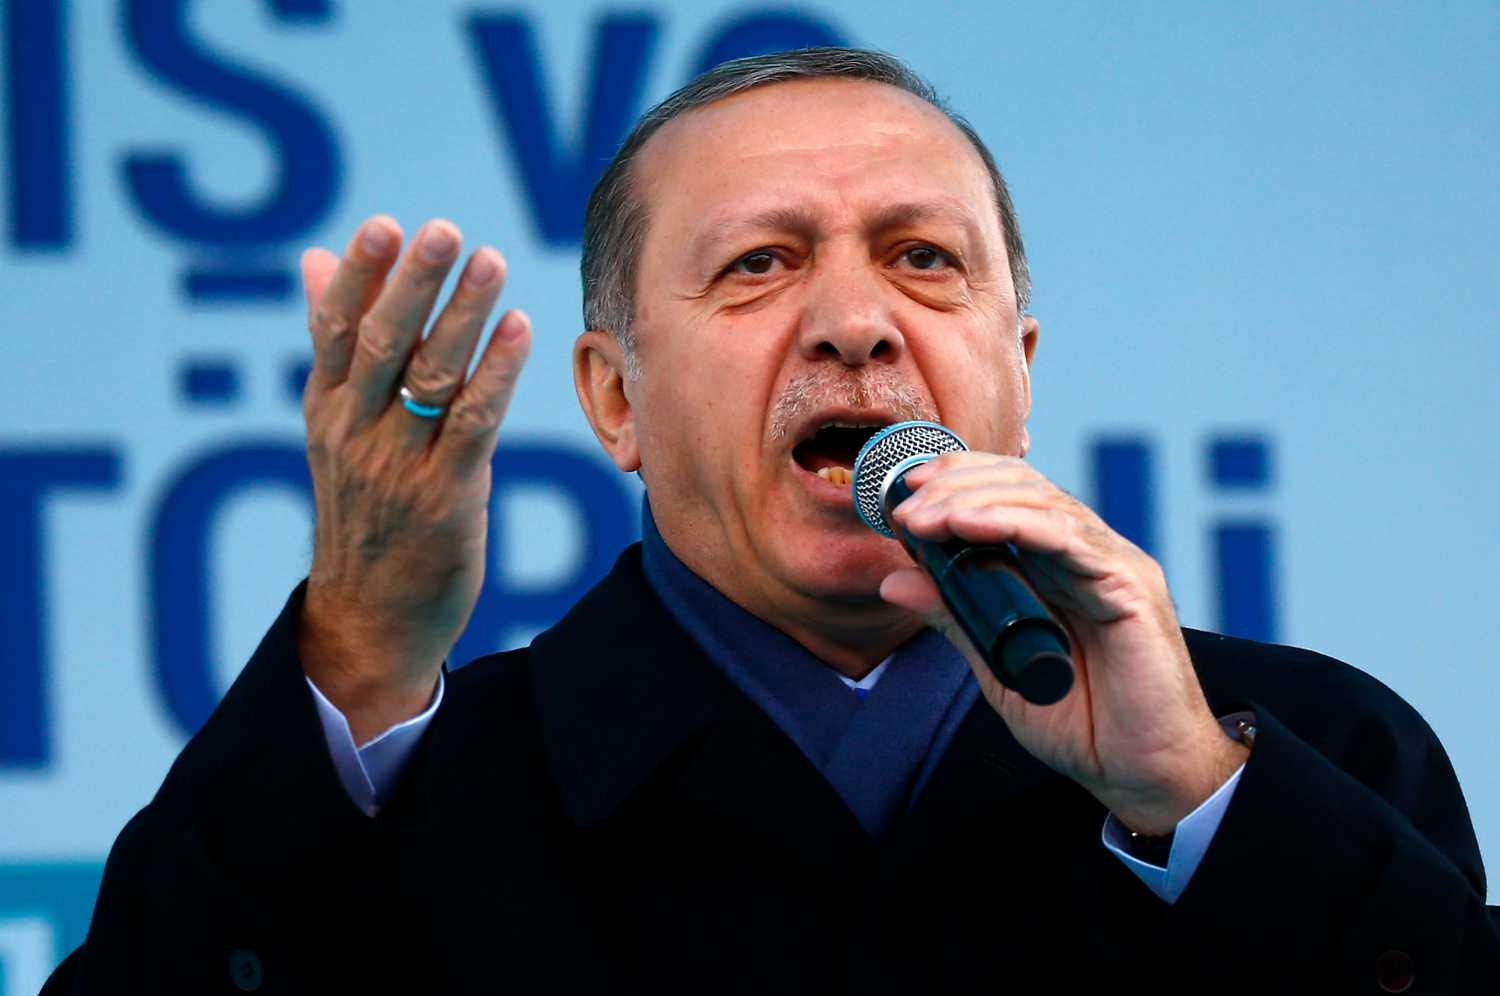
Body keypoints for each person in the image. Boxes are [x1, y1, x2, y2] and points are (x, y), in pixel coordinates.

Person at [45, 48, 1497, 994]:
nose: (857, 322)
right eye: (757, 266)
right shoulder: (410, 801)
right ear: (615, 402)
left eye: (924, 260)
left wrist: (1197, 806)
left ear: (1020, 370)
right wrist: (359, 646)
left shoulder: (1305, 752)